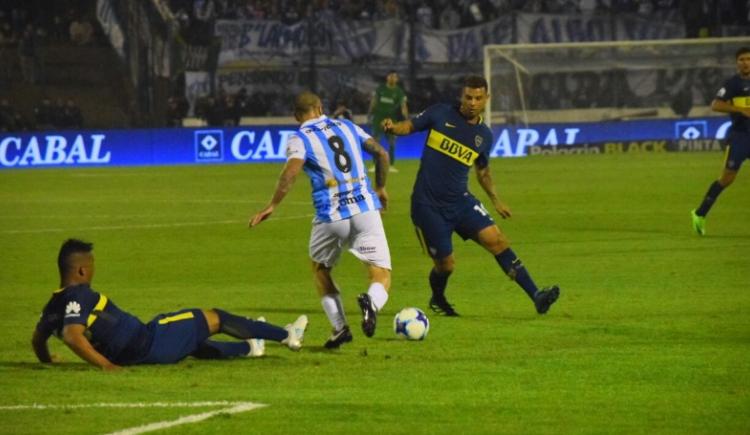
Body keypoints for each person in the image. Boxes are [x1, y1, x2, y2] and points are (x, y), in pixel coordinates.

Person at [381, 75, 560, 317]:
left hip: (461, 201)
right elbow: (410, 125)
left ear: (486, 99)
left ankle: (536, 295)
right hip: (428, 206)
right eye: (468, 97)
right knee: (446, 265)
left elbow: (483, 171)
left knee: (497, 240)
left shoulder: (484, 136)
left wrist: (496, 199)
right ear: (461, 96)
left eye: (478, 98)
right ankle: (438, 297)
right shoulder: (440, 113)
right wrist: (394, 128)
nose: (472, 102)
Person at [250, 91, 392, 349]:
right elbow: (381, 153)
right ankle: (371, 302)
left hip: (331, 215)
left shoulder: (300, 138)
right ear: (320, 107)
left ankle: (340, 329)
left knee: (320, 269)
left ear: (296, 116)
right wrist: (381, 188)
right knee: (380, 273)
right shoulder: (347, 126)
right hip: (365, 210)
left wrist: (273, 204)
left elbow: (290, 172)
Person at [32, 239, 308, 371]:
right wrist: (106, 365)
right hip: (150, 341)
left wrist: (47, 360)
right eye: (91, 267)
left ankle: (249, 347)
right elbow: (72, 335)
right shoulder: (80, 294)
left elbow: (38, 340)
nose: (92, 273)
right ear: (80, 271)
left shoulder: (51, 307)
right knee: (214, 318)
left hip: (141, 351)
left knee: (193, 344)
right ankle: (287, 336)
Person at [691, 47, 750, 236]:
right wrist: (739, 110)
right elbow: (716, 104)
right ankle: (699, 214)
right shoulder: (732, 84)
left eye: (748, 59)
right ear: (737, 62)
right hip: (740, 136)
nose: (745, 62)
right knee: (727, 179)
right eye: (741, 59)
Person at [368, 71, 408, 173]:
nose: (392, 78)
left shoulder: (399, 92)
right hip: (378, 119)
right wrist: (369, 114)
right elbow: (374, 101)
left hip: (391, 120)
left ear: (397, 79)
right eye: (391, 76)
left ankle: (390, 165)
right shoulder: (380, 89)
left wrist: (406, 119)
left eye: (394, 77)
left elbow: (403, 106)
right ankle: (376, 165)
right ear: (387, 77)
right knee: (375, 142)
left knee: (392, 143)